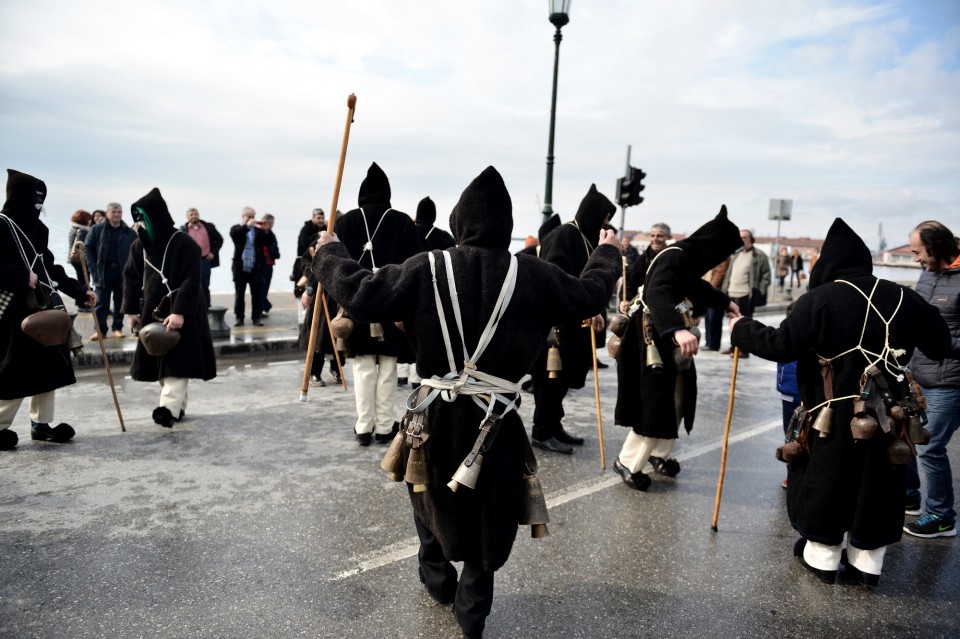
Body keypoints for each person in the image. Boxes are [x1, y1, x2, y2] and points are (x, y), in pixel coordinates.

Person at [313, 166, 620, 639]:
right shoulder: (533, 273)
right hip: (498, 421)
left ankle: (436, 577)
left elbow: (359, 291)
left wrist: (330, 252)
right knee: (492, 512)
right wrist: (605, 254)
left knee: (426, 496)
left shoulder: (425, 267)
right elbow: (590, 294)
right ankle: (471, 612)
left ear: (459, 222)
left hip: (432, 415)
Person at [730, 218, 951, 587]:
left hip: (831, 415)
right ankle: (867, 566)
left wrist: (741, 328)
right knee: (878, 484)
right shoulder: (903, 296)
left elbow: (781, 345)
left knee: (827, 481)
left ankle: (824, 558)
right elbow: (940, 344)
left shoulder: (819, 299)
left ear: (827, 264)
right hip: (888, 419)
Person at [612, 206, 742, 490]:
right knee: (655, 403)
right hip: (652, 340)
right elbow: (658, 292)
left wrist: (725, 303)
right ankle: (628, 462)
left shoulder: (685, 259)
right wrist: (678, 330)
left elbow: (695, 287)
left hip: (668, 340)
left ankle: (659, 453)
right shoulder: (675, 256)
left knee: (677, 399)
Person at [0, 169, 96, 450]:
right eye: (35, 198)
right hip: (12, 312)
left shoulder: (39, 229)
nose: (39, 204)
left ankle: (41, 425)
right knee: (13, 369)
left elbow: (50, 269)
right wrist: (20, 276)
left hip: (43, 307)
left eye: (42, 198)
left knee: (47, 365)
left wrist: (80, 291)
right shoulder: (0, 225)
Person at [333, 162, 424, 445]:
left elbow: (334, 266)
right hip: (391, 302)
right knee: (387, 368)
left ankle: (364, 427)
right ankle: (385, 427)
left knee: (362, 368)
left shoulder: (345, 222)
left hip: (357, 302)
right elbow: (417, 265)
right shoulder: (401, 221)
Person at [530, 184, 616, 454]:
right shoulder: (565, 235)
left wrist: (594, 310)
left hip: (575, 325)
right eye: (604, 217)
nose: (607, 224)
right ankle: (542, 432)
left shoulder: (588, 238)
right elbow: (555, 277)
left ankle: (554, 427)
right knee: (549, 382)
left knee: (563, 381)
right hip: (556, 327)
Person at [122, 188, 216, 428]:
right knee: (162, 365)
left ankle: (167, 409)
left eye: (143, 217)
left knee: (178, 363)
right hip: (152, 311)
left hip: (182, 310)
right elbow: (131, 278)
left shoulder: (183, 243)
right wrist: (131, 311)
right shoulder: (138, 247)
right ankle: (177, 406)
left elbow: (191, 280)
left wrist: (180, 311)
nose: (139, 223)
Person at [904, 220, 960, 539]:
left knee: (931, 447)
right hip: (919, 374)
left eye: (918, 252)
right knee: (908, 438)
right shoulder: (927, 273)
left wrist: (941, 345)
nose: (915, 259)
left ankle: (941, 516)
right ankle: (909, 498)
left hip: (951, 381)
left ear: (936, 249)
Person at [84, 201, 136, 340]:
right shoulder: (96, 229)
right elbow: (88, 249)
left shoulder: (129, 232)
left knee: (120, 301)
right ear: (107, 213)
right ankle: (100, 330)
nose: (117, 214)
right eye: (113, 212)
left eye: (119, 212)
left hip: (122, 272)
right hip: (102, 271)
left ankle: (117, 328)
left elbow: (136, 251)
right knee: (101, 302)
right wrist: (93, 268)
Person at [720, 228, 771, 356]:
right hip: (732, 293)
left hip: (746, 295)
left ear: (751, 239)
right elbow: (729, 274)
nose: (741, 239)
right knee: (732, 322)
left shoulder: (758, 255)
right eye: (740, 237)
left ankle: (744, 350)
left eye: (744, 237)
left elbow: (766, 275)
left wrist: (760, 291)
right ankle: (734, 347)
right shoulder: (736, 254)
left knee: (744, 323)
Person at [229, 207, 266, 327]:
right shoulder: (237, 228)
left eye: (253, 217)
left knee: (256, 295)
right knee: (240, 294)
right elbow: (235, 236)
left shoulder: (259, 231)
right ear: (243, 217)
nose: (251, 219)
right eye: (248, 217)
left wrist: (267, 229)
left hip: (255, 267)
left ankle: (256, 318)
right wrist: (246, 227)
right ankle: (239, 318)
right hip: (241, 267)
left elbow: (268, 241)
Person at [776, 302, 800, 489]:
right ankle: (792, 474)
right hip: (789, 392)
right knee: (791, 434)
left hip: (799, 393)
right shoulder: (784, 334)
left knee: (794, 434)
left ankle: (796, 475)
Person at [180, 207, 223, 309]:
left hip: (205, 260)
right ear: (187, 217)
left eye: (195, 214)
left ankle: (206, 308)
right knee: (190, 285)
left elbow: (219, 239)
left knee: (205, 286)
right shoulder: (183, 230)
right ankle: (193, 308)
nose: (194, 216)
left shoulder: (208, 227)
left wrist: (213, 252)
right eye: (191, 214)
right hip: (190, 263)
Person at [258, 213, 280, 317]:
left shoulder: (271, 234)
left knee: (265, 287)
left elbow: (275, 249)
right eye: (271, 223)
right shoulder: (258, 232)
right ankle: (263, 307)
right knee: (260, 288)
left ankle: (264, 307)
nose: (272, 225)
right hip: (259, 264)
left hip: (268, 263)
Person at [67, 209, 93, 285]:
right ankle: (85, 294)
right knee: (84, 280)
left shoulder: (74, 228)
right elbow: (81, 245)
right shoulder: (82, 231)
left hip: (73, 258)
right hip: (81, 259)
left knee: (81, 278)